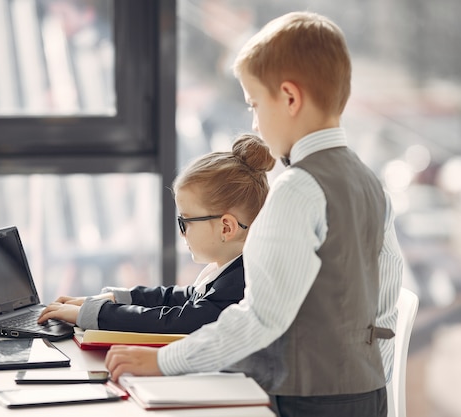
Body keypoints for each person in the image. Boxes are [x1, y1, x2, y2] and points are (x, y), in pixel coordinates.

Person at [105, 11, 404, 417]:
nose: (255, 122)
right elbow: (384, 306)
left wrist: (162, 361)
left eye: (255, 104)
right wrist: (367, 382)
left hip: (301, 400)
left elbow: (260, 316)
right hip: (368, 395)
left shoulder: (297, 190)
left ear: (290, 98)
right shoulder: (373, 186)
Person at [37, 134, 275, 335]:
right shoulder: (229, 269)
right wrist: (113, 299)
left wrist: (92, 315)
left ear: (226, 228)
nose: (181, 233)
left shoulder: (242, 285)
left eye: (185, 222)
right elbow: (178, 298)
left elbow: (176, 321)